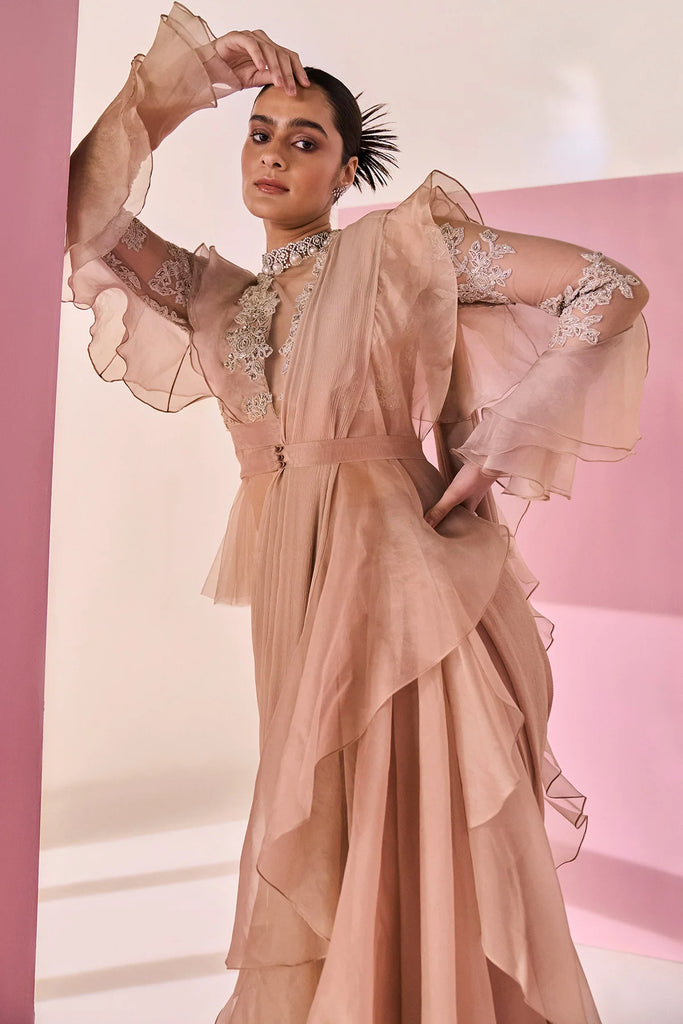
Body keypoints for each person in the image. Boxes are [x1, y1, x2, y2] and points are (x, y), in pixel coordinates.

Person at [63, 4, 650, 1022]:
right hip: (291, 578)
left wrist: (505, 434)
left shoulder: (400, 251)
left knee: (402, 802)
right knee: (326, 811)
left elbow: (607, 285)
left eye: (305, 141)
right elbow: (70, 214)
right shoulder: (213, 296)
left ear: (344, 176)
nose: (273, 154)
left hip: (399, 580)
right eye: (259, 133)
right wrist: (184, 86)